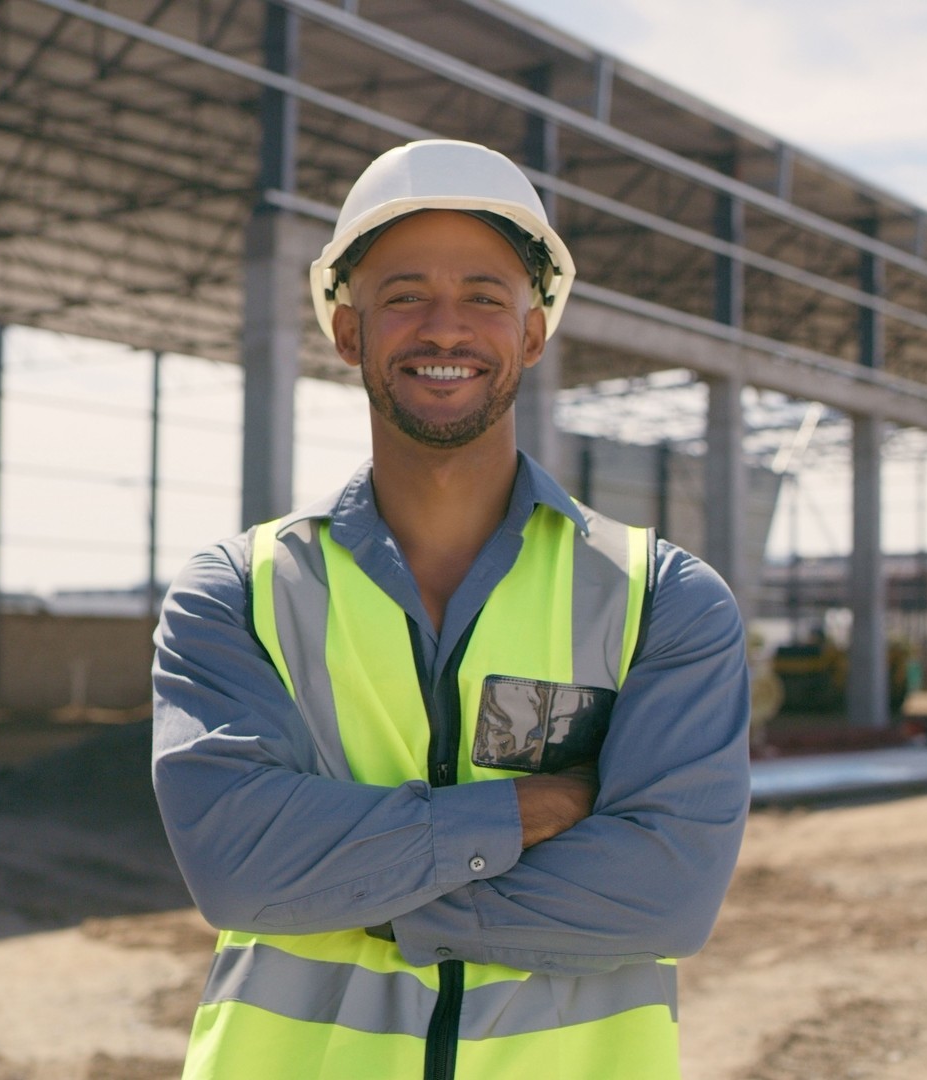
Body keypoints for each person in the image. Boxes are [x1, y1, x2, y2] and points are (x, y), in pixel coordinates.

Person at [150, 139, 751, 1079]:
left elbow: (665, 897)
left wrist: (348, 883)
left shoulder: (661, 600)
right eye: (402, 296)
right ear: (349, 333)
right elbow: (240, 872)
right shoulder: (239, 593)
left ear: (532, 334)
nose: (444, 328)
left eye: (483, 295)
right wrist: (523, 812)